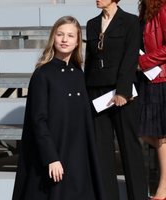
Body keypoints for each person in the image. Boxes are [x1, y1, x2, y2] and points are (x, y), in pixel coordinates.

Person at [12, 16, 105, 200]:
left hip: (78, 159)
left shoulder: (80, 75)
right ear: (53, 38)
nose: (64, 40)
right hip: (53, 159)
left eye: (70, 36)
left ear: (77, 41)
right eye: (60, 34)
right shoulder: (42, 74)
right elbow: (38, 121)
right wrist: (51, 158)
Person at [84, 0, 148, 200]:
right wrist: (87, 95)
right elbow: (90, 60)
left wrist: (123, 91)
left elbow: (130, 58)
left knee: (130, 149)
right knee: (102, 150)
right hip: (96, 93)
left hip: (121, 93)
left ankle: (137, 196)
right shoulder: (92, 23)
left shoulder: (130, 21)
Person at [138, 0, 166, 199]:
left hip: (161, 77)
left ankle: (163, 189)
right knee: (152, 133)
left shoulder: (163, 8)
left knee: (159, 135)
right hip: (150, 78)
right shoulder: (147, 8)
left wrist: (143, 61)